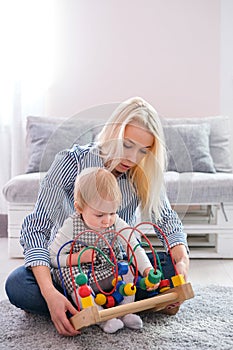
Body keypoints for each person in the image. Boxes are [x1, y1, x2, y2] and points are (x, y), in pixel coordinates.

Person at [5, 96, 189, 337]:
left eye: (144, 151)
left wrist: (182, 262)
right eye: (127, 145)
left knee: (168, 267)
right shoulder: (71, 162)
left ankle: (102, 306)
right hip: (71, 268)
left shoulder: (142, 173)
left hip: (118, 269)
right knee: (18, 285)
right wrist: (50, 293)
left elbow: (166, 220)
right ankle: (79, 303)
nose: (133, 158)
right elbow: (37, 228)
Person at [49, 167, 158, 333]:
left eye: (112, 212)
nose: (107, 220)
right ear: (79, 208)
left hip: (108, 271)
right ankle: (101, 318)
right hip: (82, 273)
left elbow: (134, 247)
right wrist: (79, 257)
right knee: (74, 280)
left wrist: (147, 269)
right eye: (99, 215)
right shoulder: (71, 226)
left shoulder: (116, 223)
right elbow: (53, 257)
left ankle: (126, 311)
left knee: (127, 269)